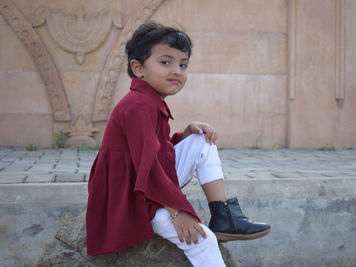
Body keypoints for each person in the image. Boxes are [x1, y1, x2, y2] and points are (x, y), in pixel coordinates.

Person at [86, 22, 271, 266]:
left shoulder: (149, 100)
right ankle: (210, 223)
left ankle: (223, 215)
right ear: (138, 68)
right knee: (202, 239)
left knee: (200, 139)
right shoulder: (138, 106)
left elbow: (157, 150)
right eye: (166, 62)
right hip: (133, 198)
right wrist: (177, 212)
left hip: (143, 184)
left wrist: (183, 137)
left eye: (183, 64)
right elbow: (148, 165)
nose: (177, 71)